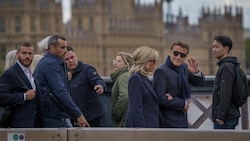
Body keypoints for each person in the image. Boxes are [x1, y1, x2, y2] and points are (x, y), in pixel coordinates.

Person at [34, 35, 89, 128]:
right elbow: (60, 91)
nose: (66, 50)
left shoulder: (55, 63)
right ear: (52, 48)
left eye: (66, 47)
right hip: (52, 116)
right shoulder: (50, 64)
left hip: (58, 114)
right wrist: (78, 114)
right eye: (62, 47)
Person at [153, 41, 205, 128]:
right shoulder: (161, 71)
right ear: (170, 52)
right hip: (167, 120)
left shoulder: (183, 68)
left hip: (182, 118)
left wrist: (196, 72)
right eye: (176, 53)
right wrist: (183, 104)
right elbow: (159, 98)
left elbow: (200, 83)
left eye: (182, 55)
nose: (178, 57)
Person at [0, 41, 43, 128]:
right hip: (17, 126)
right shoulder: (10, 73)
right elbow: (1, 96)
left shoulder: (31, 73)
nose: (27, 56)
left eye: (30, 53)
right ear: (17, 54)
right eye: (24, 53)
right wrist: (23, 96)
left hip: (34, 125)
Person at [64, 46, 106, 127]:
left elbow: (97, 79)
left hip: (90, 118)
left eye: (72, 57)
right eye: (66, 59)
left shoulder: (87, 70)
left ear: (76, 56)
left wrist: (99, 86)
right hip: (72, 119)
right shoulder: (61, 75)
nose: (70, 61)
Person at [125, 45, 160, 128]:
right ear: (145, 62)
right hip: (143, 127)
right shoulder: (136, 79)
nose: (155, 64)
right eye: (153, 61)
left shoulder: (144, 78)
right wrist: (142, 132)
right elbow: (136, 109)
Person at [211, 35, 240, 129]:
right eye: (213, 47)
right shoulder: (229, 65)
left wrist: (220, 116)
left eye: (217, 47)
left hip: (225, 118)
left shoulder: (226, 67)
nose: (213, 49)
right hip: (229, 115)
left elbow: (225, 93)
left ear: (226, 49)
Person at [110, 52, 133, 127]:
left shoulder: (124, 76)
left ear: (127, 64)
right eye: (115, 61)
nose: (116, 63)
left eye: (119, 61)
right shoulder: (126, 75)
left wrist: (116, 113)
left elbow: (125, 97)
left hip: (123, 120)